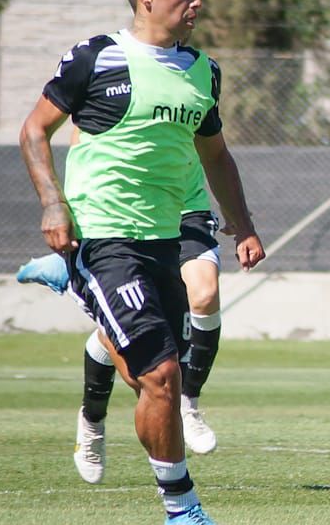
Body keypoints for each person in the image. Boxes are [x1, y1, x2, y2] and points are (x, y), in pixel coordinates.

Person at [19, 0, 264, 525]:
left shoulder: (203, 71)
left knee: (155, 373)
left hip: (166, 240)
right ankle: (182, 510)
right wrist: (54, 205)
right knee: (160, 376)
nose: (197, 1)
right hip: (104, 234)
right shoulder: (95, 59)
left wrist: (246, 224)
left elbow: (217, 156)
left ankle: (69, 278)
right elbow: (34, 130)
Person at [17, 157, 229, 484]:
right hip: (125, 218)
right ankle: (92, 419)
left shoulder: (198, 103)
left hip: (186, 212)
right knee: (141, 376)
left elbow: (215, 147)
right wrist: (63, 210)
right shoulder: (103, 107)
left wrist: (242, 221)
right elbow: (56, 135)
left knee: (202, 296)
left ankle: (189, 406)